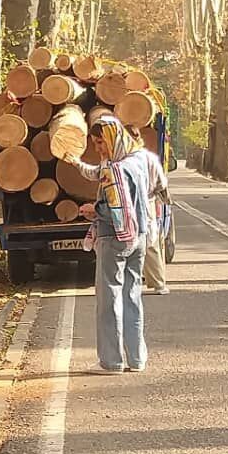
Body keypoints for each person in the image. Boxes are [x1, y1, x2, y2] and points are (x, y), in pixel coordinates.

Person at [65, 117, 151, 374]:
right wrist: (77, 163)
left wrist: (94, 209)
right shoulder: (138, 160)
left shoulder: (115, 169)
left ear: (113, 138)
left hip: (113, 236)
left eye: (101, 142)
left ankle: (111, 361)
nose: (99, 148)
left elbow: (113, 205)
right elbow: (99, 173)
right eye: (95, 143)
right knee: (132, 296)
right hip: (139, 236)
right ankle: (137, 358)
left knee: (108, 298)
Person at [127, 127, 171, 295]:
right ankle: (158, 283)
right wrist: (165, 200)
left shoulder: (123, 158)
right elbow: (162, 184)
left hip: (132, 203)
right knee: (150, 241)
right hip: (148, 202)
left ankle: (135, 281)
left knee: (135, 240)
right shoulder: (150, 158)